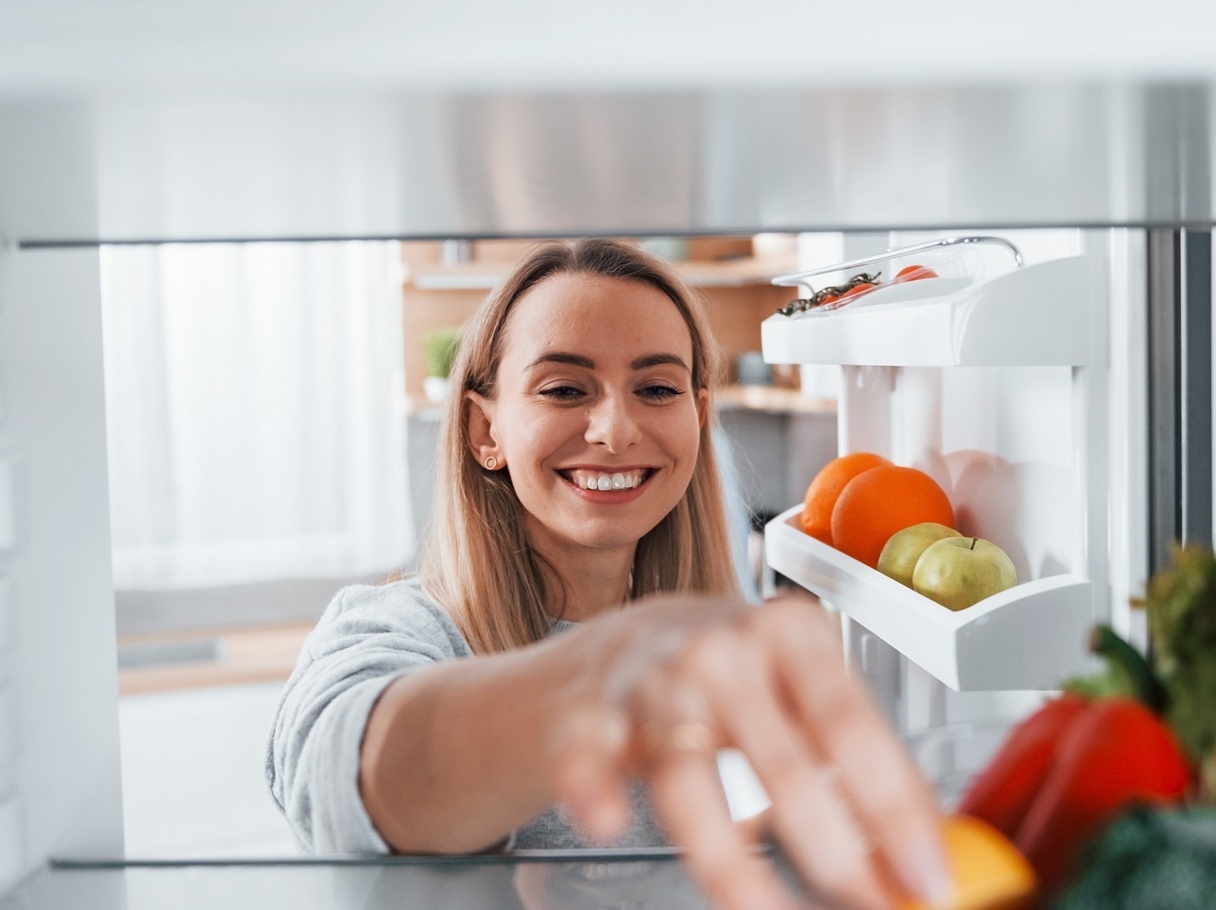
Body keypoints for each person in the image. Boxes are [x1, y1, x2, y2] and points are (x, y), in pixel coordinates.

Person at [265, 239, 950, 910]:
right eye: (564, 388)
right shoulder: (392, 629)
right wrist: (600, 674)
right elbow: (349, 772)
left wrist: (785, 852)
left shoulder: (678, 659)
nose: (616, 430)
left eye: (656, 388)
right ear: (485, 431)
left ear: (697, 417)